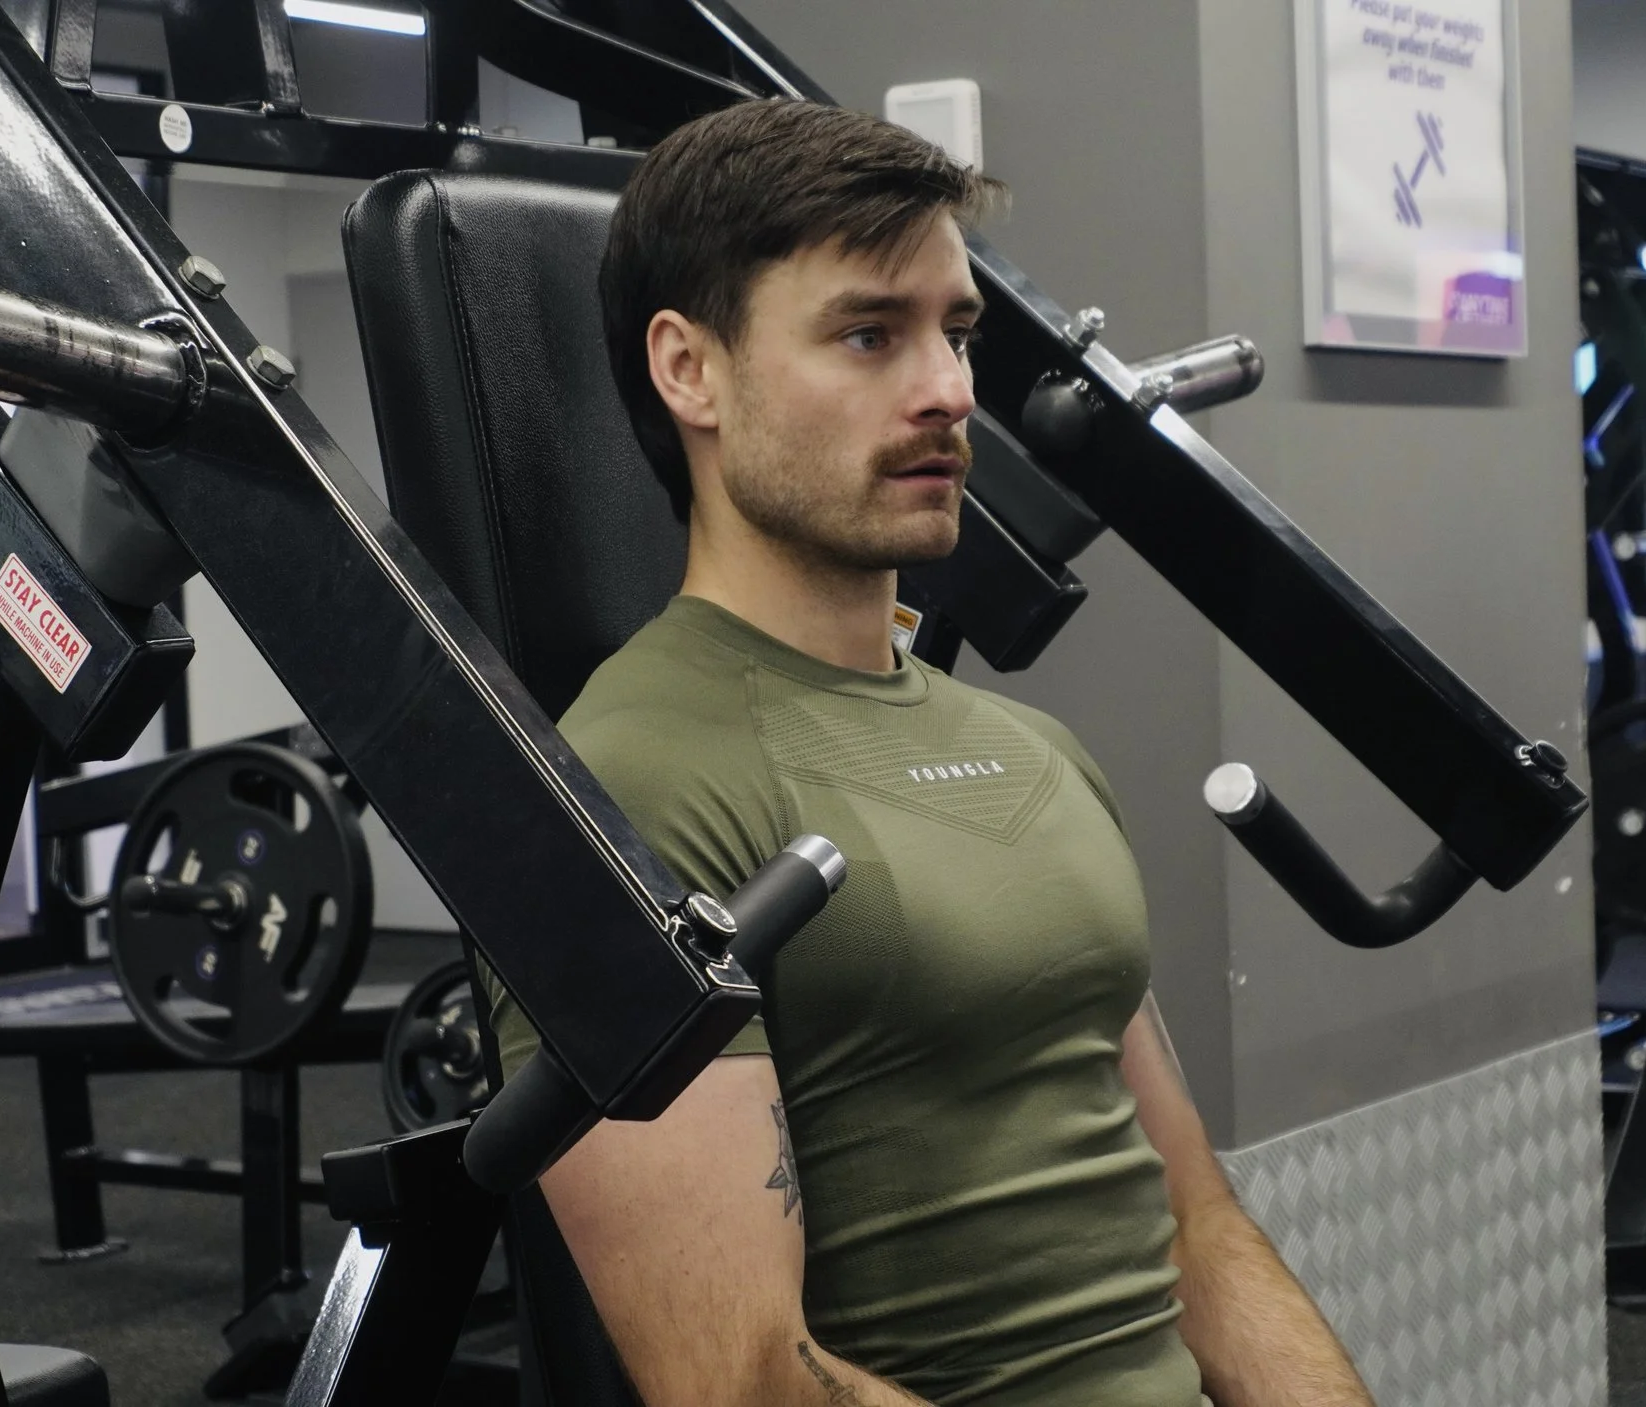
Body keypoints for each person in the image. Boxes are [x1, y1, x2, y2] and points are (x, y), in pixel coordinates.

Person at [481, 98, 1373, 1407]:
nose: (949, 389)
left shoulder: (1038, 751)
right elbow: (749, 1383)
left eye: (953, 332)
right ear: (691, 370)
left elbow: (1200, 1230)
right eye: (868, 333)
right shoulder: (632, 788)